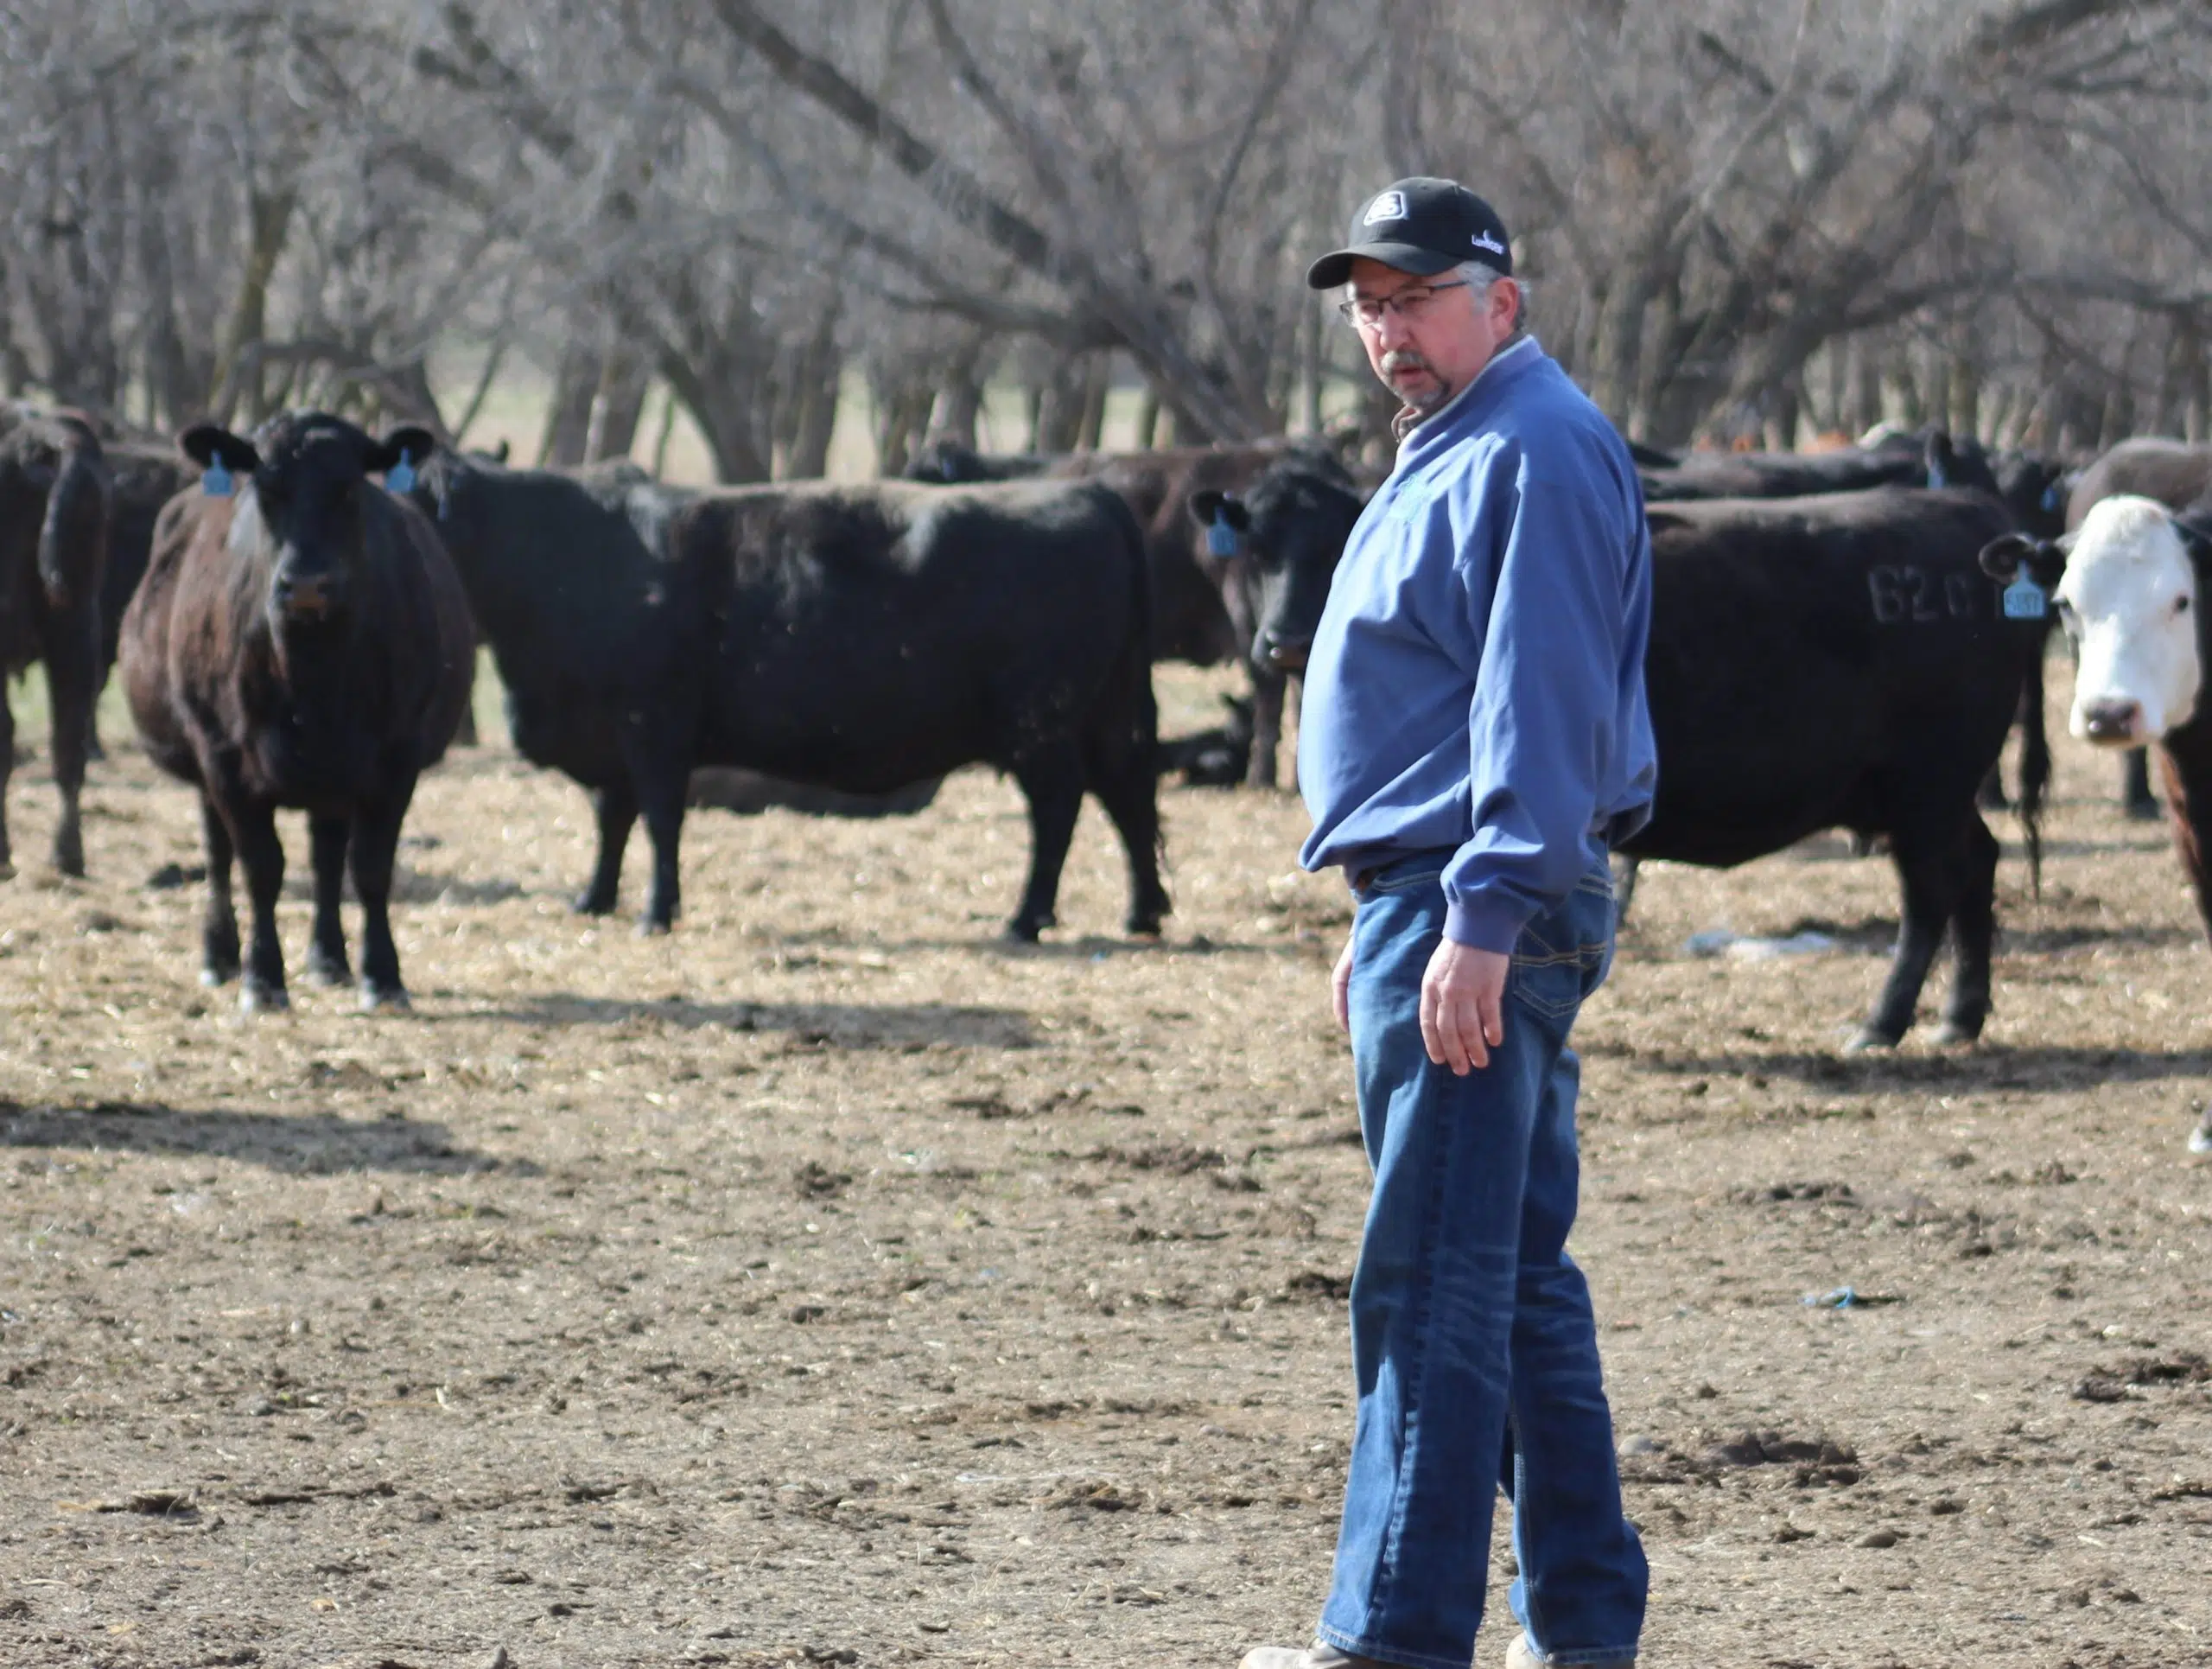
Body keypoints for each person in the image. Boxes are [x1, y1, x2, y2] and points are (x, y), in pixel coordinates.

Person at [1240, 178, 1656, 1669]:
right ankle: (1586, 1624)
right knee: (1513, 1267)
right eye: (1368, 302)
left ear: (1504, 300)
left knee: (1432, 1271)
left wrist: (1471, 910)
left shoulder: (1532, 446)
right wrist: (1392, 904)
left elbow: (1535, 701)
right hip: (1443, 897)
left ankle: (1393, 1639)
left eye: (1417, 296)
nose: (1388, 328)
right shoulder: (1462, 445)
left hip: (1487, 899)